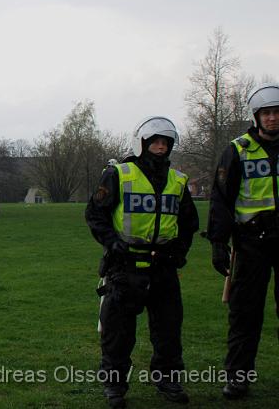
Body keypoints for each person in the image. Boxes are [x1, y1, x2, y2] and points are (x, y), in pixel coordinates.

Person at [85, 116, 199, 408]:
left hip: (163, 266)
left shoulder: (178, 180)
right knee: (118, 332)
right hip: (126, 265)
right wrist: (112, 243)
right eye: (155, 142)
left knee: (168, 330)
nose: (160, 148)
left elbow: (189, 222)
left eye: (165, 143)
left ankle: (168, 380)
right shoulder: (118, 174)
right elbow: (95, 214)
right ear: (142, 144)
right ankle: (114, 385)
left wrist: (180, 251)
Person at [206, 83, 279, 400]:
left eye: (277, 113)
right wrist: (218, 243)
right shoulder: (237, 150)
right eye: (267, 113)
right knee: (245, 315)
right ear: (256, 117)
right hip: (252, 242)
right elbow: (221, 199)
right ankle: (238, 377)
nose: (273, 118)